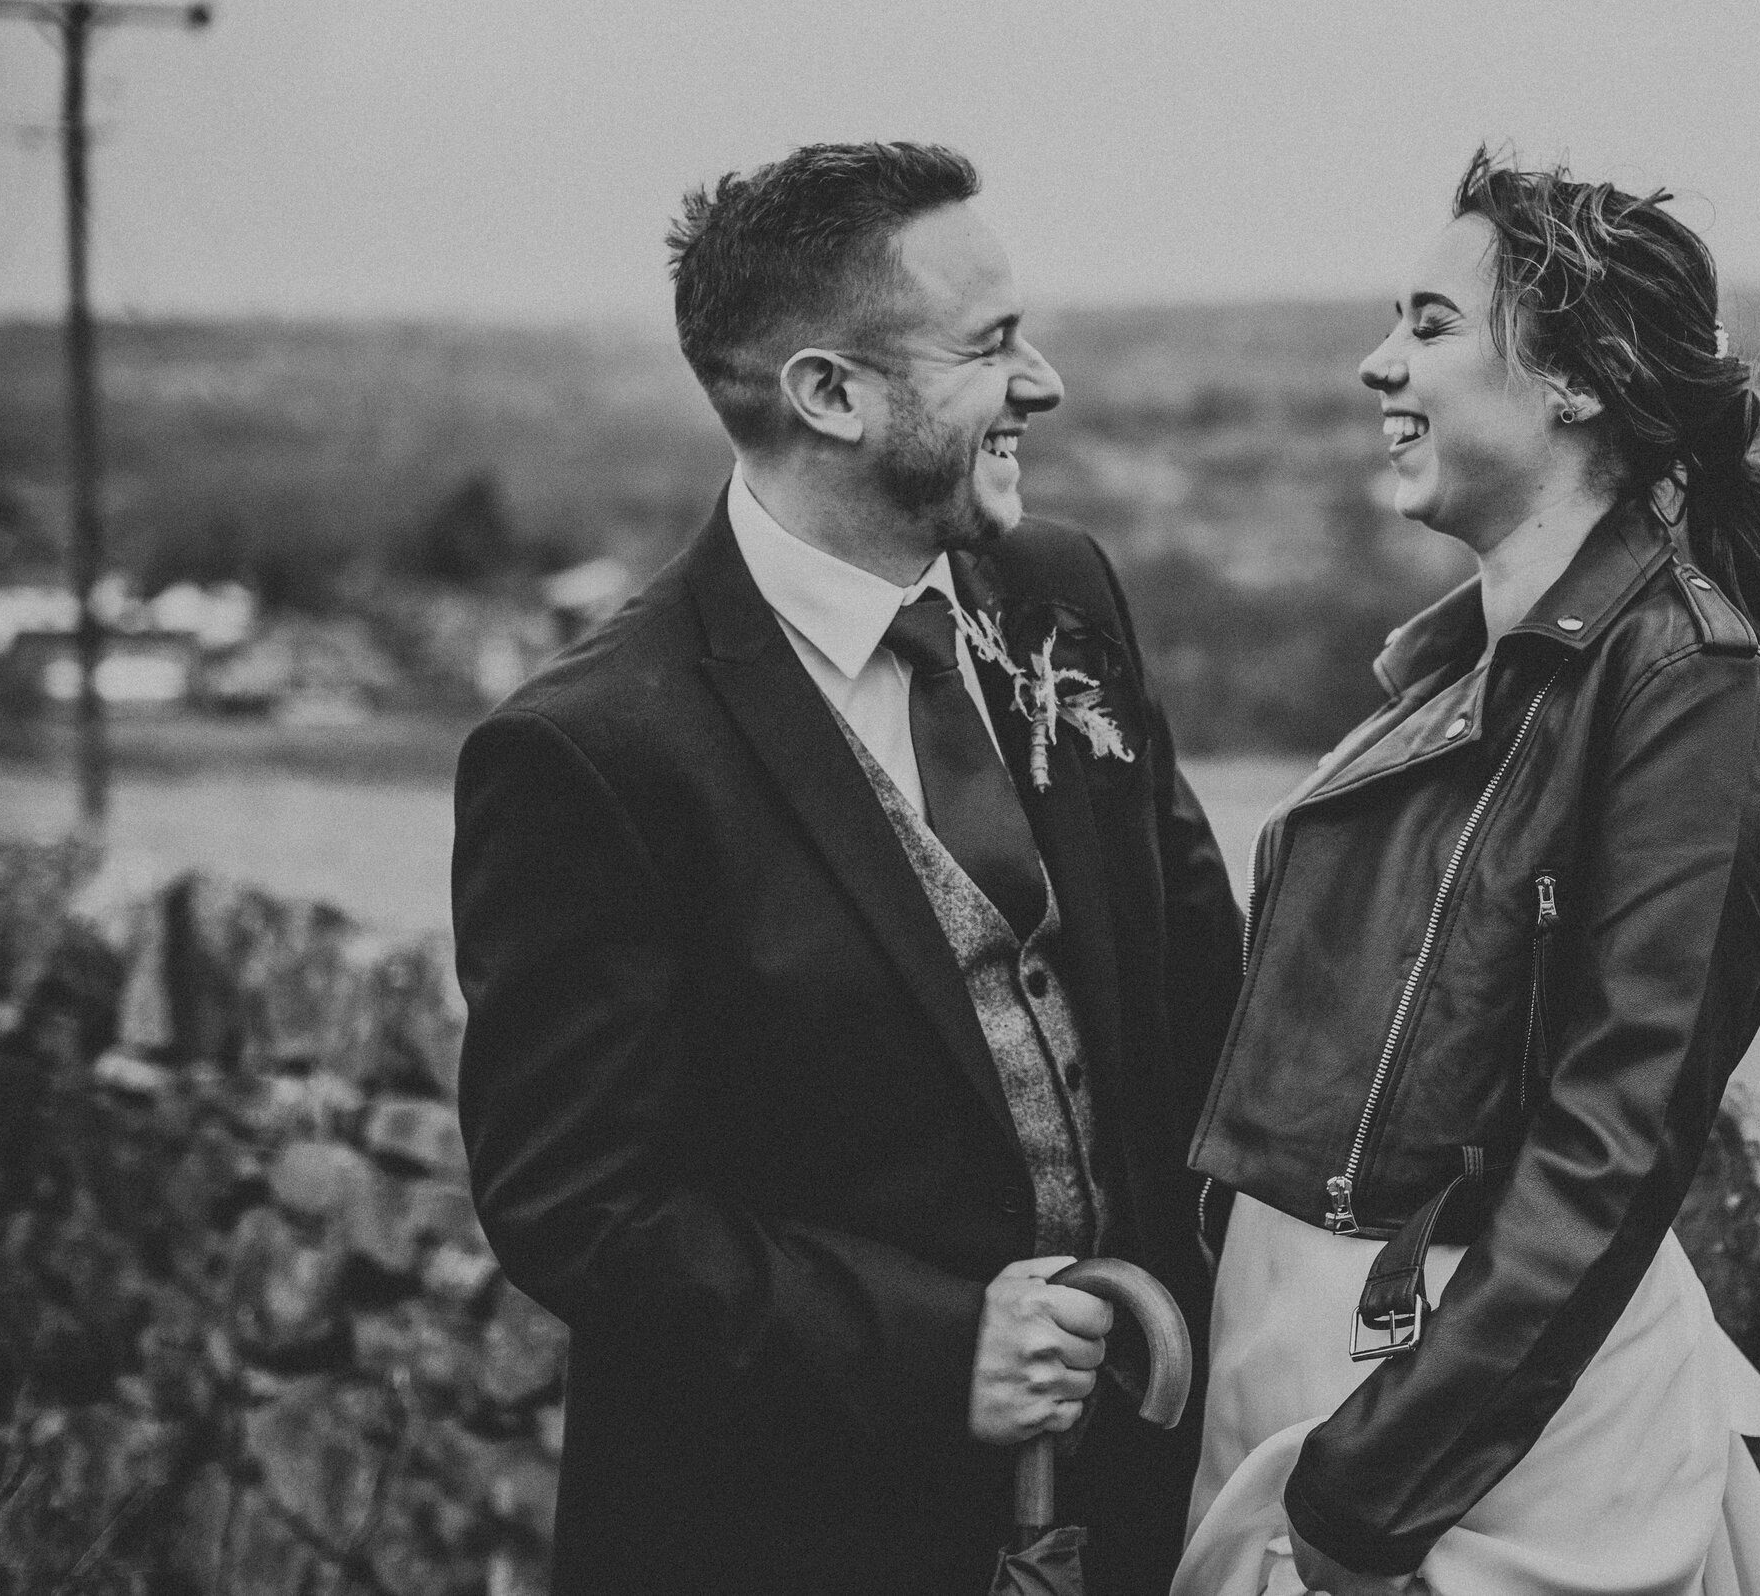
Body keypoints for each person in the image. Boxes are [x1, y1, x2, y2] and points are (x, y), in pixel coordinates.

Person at [452, 141, 1242, 1595]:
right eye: (992, 345)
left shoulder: (1064, 594)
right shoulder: (591, 752)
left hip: (1133, 1510)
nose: (1044, 381)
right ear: (830, 395)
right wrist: (948, 1351)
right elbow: (584, 1206)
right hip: (792, 1531)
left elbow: (1202, 984)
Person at [1179, 148, 1760, 1596]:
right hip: (1300, 1373)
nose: (1377, 362)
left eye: (1431, 326)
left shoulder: (1689, 689)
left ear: (1576, 378)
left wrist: (1368, 1493)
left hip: (1474, 1446)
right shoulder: (1460, 669)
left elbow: (1611, 1145)